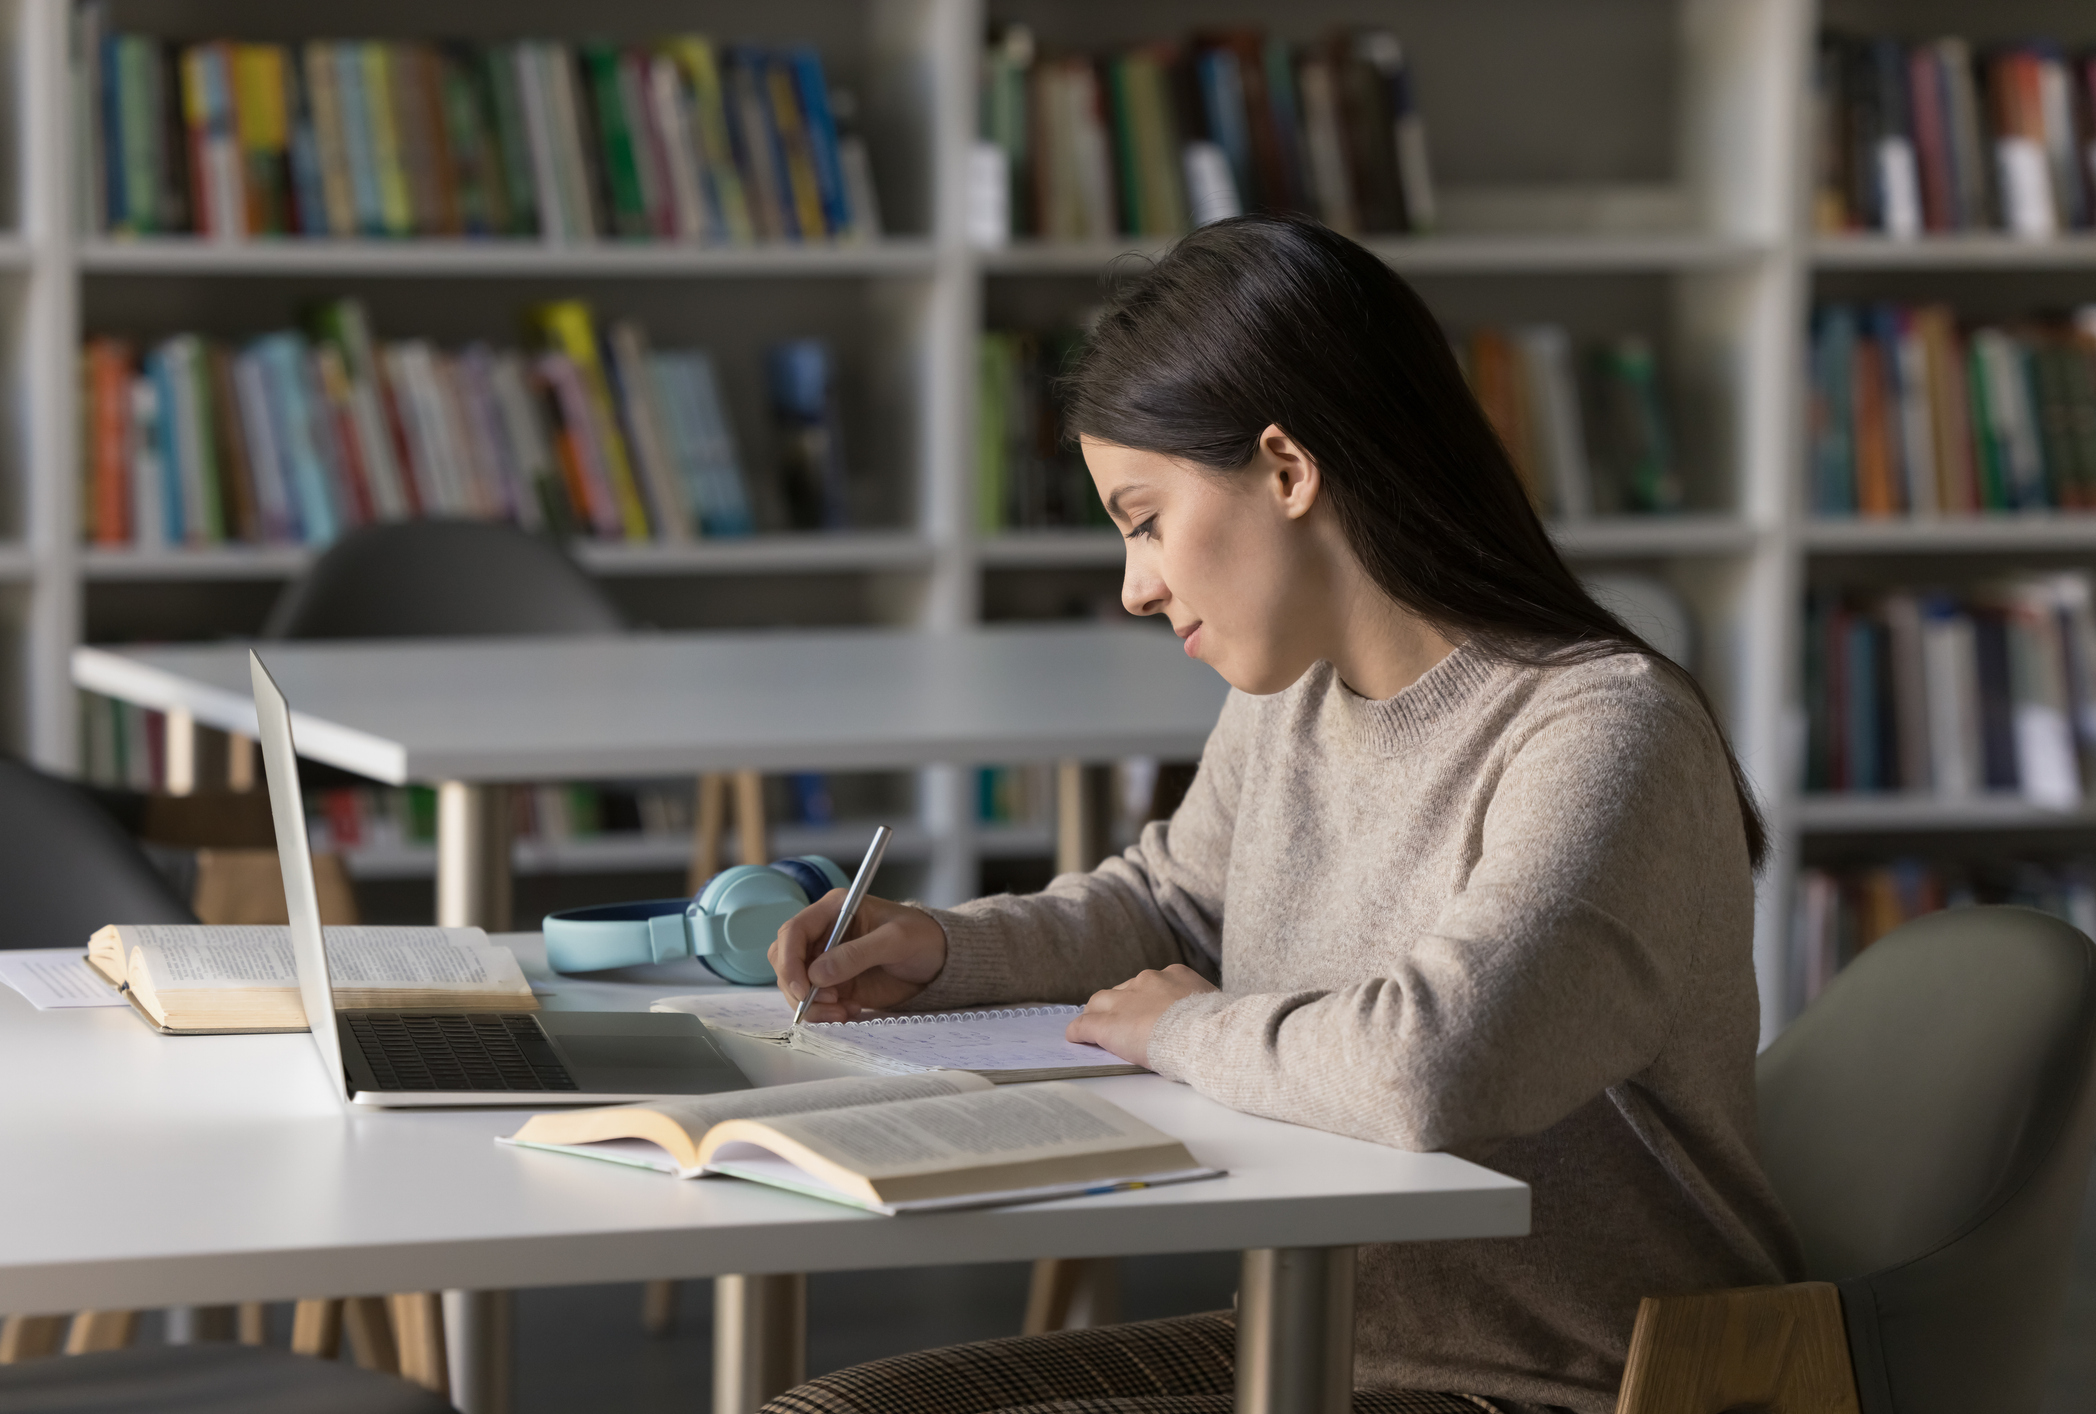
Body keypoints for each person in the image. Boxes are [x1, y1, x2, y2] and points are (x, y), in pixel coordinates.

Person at [765, 212, 1800, 1414]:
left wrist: (1184, 1032)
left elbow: (1438, 1065)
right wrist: (942, 949)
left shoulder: (1604, 730)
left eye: (1145, 519)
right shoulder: (1293, 694)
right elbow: (1171, 907)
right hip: (1320, 1338)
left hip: (1558, 1383)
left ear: (1287, 468)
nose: (1133, 585)